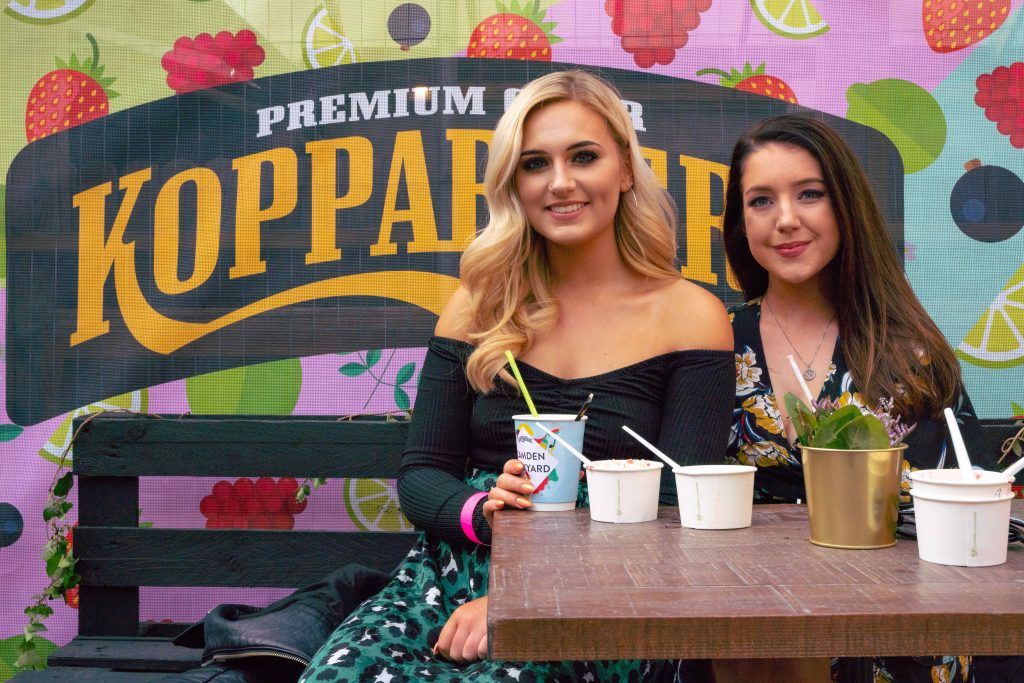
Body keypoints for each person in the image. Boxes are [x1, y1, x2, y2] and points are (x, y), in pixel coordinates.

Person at [299, 70, 734, 682]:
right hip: (452, 574)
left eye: (584, 156)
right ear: (514, 183)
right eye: (535, 163)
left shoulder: (691, 315)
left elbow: (682, 507)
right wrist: (481, 509)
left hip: (607, 591)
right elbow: (421, 474)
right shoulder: (477, 306)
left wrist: (529, 594)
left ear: (626, 170)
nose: (561, 182)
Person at [720, 113, 1018, 682]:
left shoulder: (910, 353)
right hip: (755, 637)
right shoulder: (713, 343)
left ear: (847, 206)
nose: (786, 220)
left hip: (897, 635)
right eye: (760, 201)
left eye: (810, 194)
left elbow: (975, 515)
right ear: (739, 222)